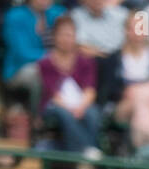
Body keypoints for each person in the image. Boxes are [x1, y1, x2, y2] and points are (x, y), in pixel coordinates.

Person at [38, 17, 103, 159]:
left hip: (80, 103)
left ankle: (83, 153)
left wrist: (80, 107)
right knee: (64, 114)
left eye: (70, 35)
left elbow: (90, 90)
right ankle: (86, 153)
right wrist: (71, 108)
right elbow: (52, 93)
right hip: (56, 104)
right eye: (62, 35)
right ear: (55, 37)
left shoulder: (86, 61)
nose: (66, 39)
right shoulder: (45, 63)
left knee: (92, 113)